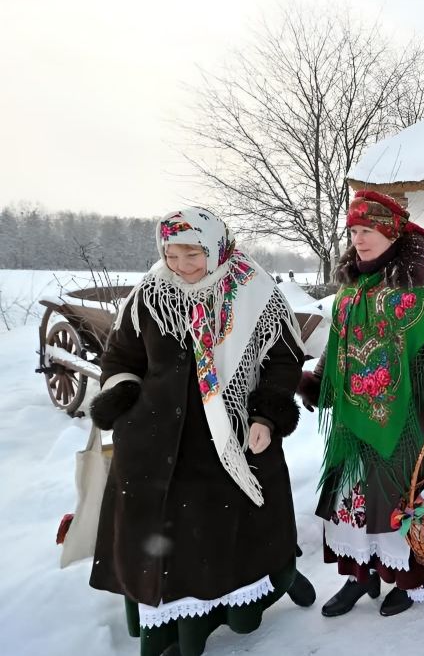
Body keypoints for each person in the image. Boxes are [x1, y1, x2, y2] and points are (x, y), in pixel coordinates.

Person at [88, 207, 309, 656]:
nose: (183, 266)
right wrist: (122, 401)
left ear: (216, 247)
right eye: (172, 254)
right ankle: (166, 629)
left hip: (231, 439)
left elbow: (282, 361)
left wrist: (266, 416)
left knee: (230, 537)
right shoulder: (150, 293)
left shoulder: (253, 291)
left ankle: (265, 589)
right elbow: (121, 360)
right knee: (158, 542)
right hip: (153, 442)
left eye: (194, 254)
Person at [298, 190, 424, 618]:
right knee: (356, 500)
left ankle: (413, 578)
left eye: (370, 230)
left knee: (405, 500)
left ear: (392, 230)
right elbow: (339, 340)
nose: (360, 239)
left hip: (413, 415)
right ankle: (360, 575)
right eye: (355, 231)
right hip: (354, 419)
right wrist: (319, 380)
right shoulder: (352, 287)